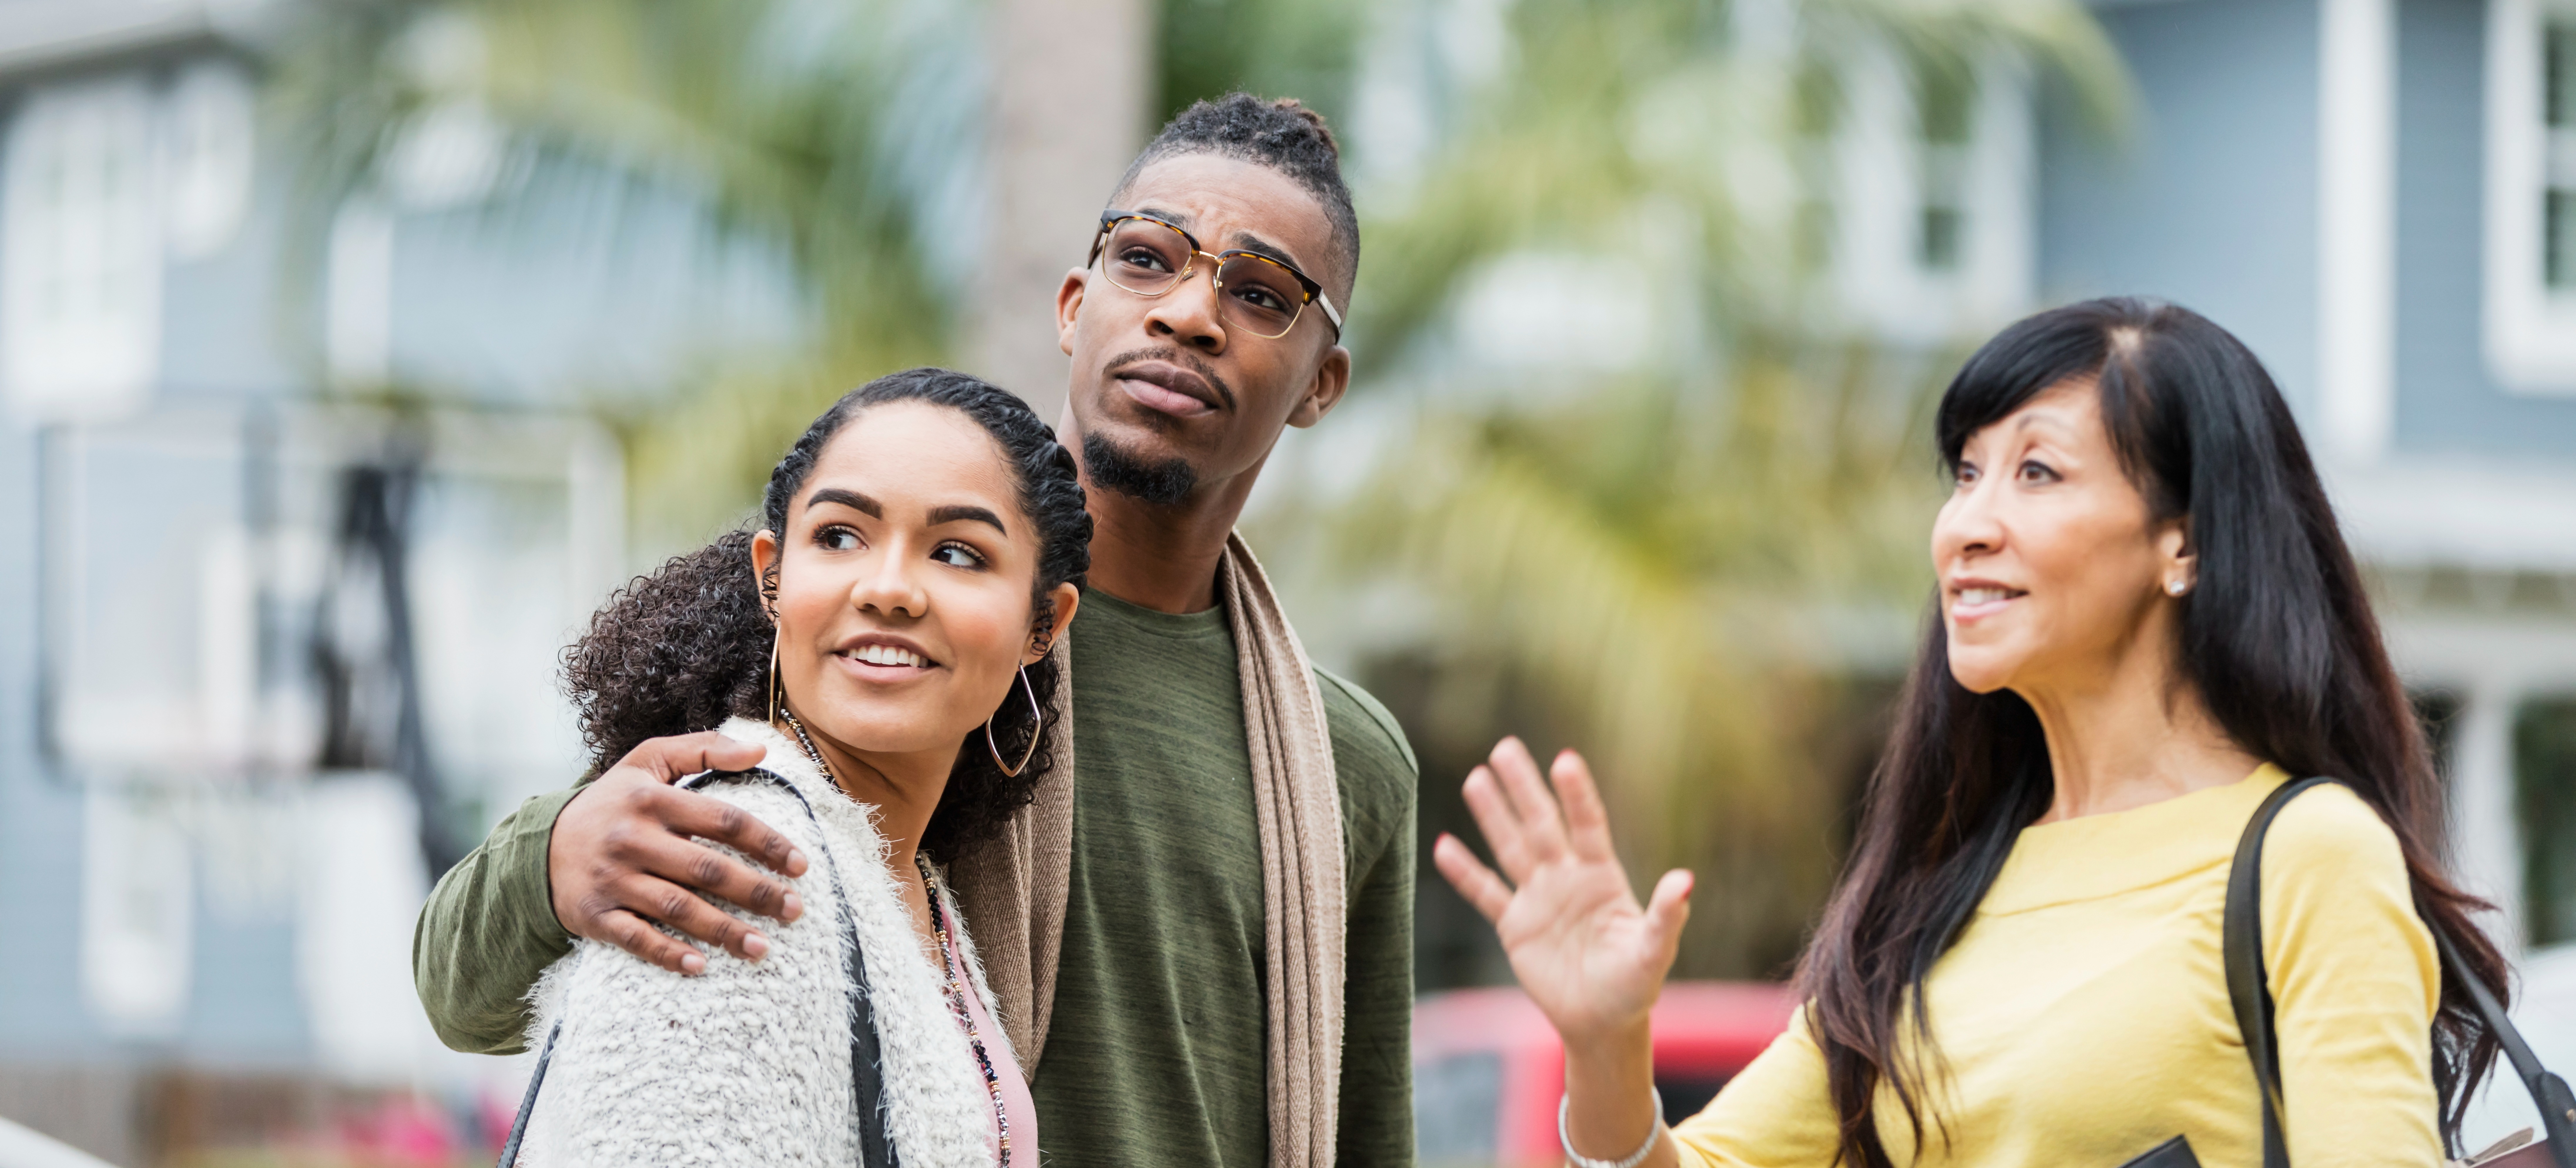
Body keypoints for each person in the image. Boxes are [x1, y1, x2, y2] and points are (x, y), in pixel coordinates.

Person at [414, 95, 1417, 1168]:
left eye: (1261, 292)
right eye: (1146, 259)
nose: (1187, 314)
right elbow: (464, 993)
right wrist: (562, 854)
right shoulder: (870, 641)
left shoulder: (1343, 762)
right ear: (1075, 304)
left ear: (1322, 384)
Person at [1433, 298, 2511, 1167]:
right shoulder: (1941, 891)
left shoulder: (2308, 855)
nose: (1967, 526)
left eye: (2036, 472)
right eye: (1965, 473)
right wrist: (1609, 1047)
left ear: (2182, 545)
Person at [511, 368, 1084, 1165]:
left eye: (957, 552)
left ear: (1042, 624)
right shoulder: (738, 852)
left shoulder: (908, 878)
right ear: (773, 579)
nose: (889, 590)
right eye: (840, 536)